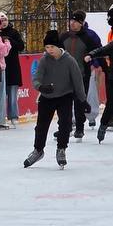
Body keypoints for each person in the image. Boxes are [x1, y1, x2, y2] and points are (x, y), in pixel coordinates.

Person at [24, 30, 86, 169]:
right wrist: (41, 87)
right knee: (41, 126)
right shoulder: (44, 60)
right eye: (47, 47)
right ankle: (38, 150)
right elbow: (36, 79)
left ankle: (61, 149)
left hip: (65, 96)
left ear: (59, 47)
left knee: (65, 125)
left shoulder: (69, 61)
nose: (49, 50)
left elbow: (78, 82)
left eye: (52, 47)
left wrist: (83, 100)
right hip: (47, 97)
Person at [61, 11, 102, 137]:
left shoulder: (88, 37)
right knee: (64, 103)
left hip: (82, 74)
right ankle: (65, 128)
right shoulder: (63, 37)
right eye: (71, 21)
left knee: (79, 101)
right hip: (64, 75)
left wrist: (96, 63)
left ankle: (79, 128)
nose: (72, 23)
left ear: (81, 23)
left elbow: (98, 51)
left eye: (75, 21)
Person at [0, 12, 26, 129]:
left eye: (5, 20)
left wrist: (10, 41)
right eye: (0, 20)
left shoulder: (14, 32)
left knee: (12, 95)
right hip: (0, 68)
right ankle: (0, 117)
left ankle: (13, 116)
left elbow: (21, 46)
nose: (3, 22)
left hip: (13, 68)